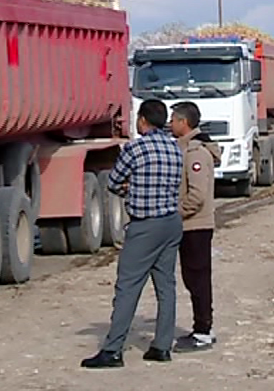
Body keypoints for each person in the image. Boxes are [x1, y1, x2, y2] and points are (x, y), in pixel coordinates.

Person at [81, 99, 185, 369]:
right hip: (171, 222)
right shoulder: (175, 148)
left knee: (128, 287)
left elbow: (114, 183)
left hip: (145, 225)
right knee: (166, 287)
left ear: (142, 121)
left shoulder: (135, 148)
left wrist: (132, 187)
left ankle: (113, 350)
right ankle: (162, 346)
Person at [169, 101, 222, 353]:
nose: (170, 124)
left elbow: (197, 195)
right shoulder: (186, 149)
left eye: (173, 120)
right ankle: (202, 328)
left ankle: (203, 331)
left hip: (195, 225)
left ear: (184, 123)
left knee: (198, 279)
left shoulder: (196, 153)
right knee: (193, 278)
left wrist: (175, 213)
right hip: (190, 225)